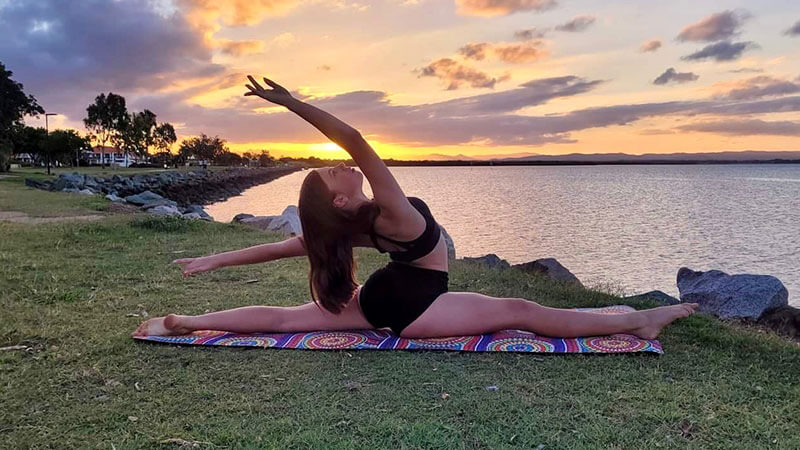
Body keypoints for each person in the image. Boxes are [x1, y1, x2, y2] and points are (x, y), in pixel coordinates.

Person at [132, 75, 698, 340]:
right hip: (413, 308)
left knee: (285, 317)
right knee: (520, 307)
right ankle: (640, 321)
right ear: (339, 197)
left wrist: (211, 263)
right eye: (336, 171)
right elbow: (354, 138)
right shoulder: (390, 213)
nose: (346, 165)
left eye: (336, 163)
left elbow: (284, 246)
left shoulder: (355, 225)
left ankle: (184, 323)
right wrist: (291, 104)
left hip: (384, 298)